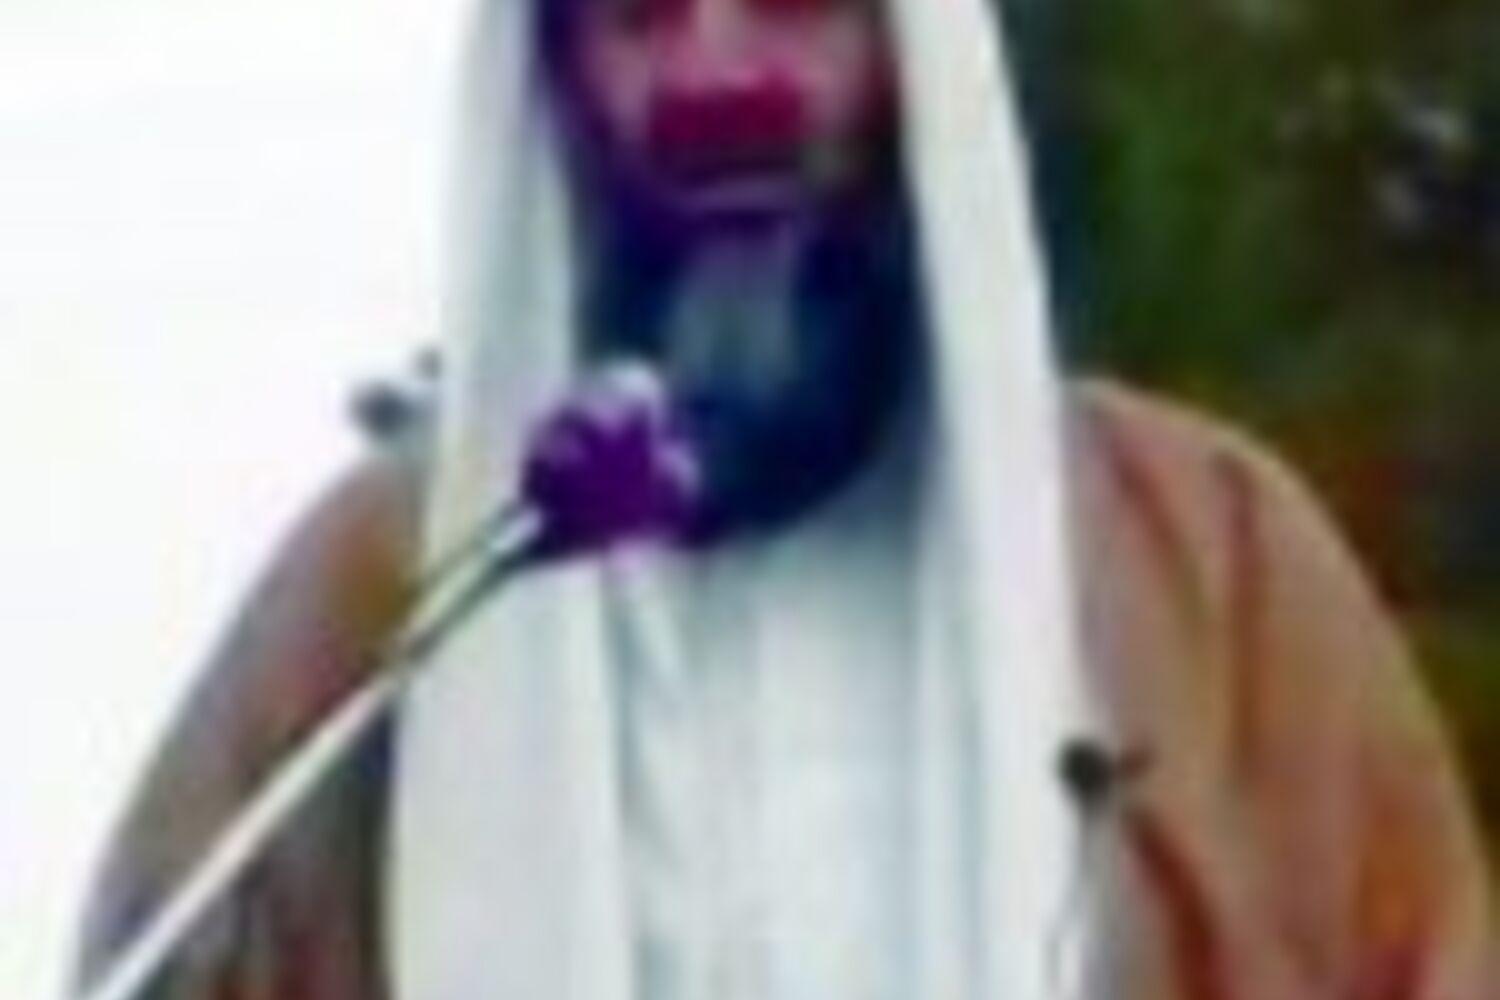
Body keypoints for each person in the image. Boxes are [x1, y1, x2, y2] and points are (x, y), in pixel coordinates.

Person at [74, 0, 1496, 994]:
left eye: (796, 3)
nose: (719, 78)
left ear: (917, 55)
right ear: (552, 86)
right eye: (639, 15)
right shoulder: (393, 600)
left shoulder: (1210, 569)